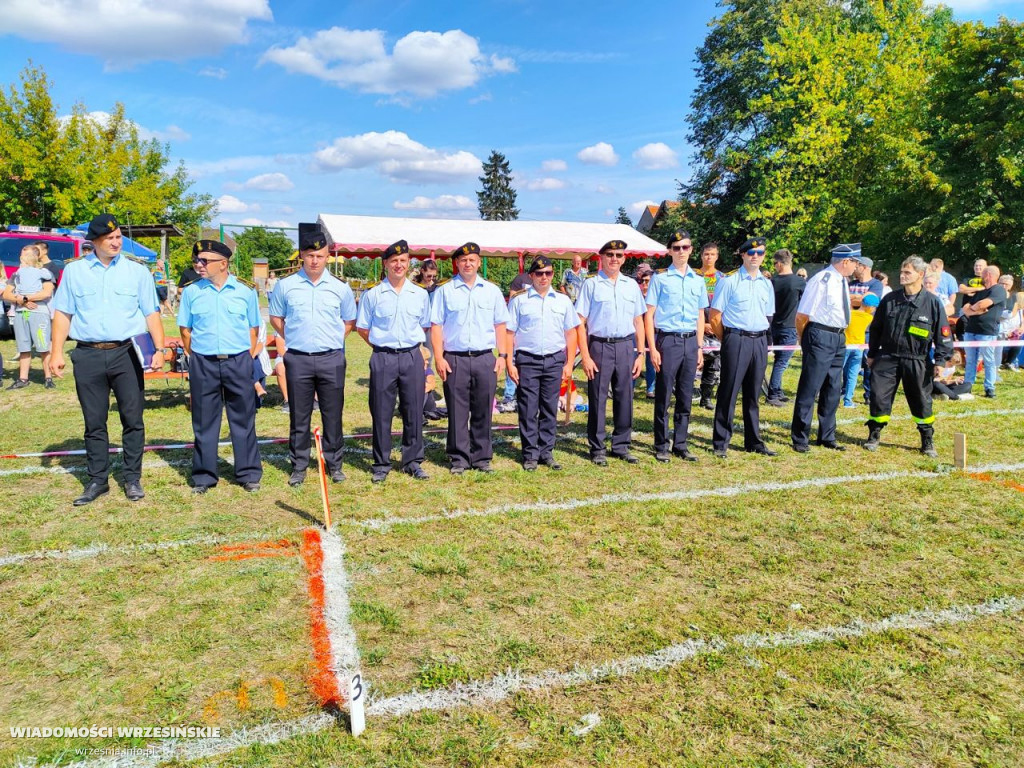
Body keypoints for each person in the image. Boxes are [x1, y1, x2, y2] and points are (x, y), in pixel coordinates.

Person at [50, 213, 165, 506]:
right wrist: (56, 352)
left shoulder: (137, 272)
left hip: (126, 353)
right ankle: (98, 480)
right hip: (87, 353)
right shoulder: (75, 272)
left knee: (132, 418)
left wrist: (160, 350)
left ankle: (132, 478)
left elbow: (151, 312)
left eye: (118, 238)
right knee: (94, 421)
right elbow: (63, 313)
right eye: (109, 239)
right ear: (95, 241)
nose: (116, 243)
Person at [269, 230, 357, 486]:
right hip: (298, 359)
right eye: (310, 256)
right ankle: (299, 466)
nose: (315, 261)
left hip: (331, 358)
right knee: (299, 416)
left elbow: (348, 321)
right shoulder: (286, 286)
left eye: (319, 255)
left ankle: (335, 465)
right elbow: (276, 317)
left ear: (327, 256)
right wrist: (295, 336)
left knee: (332, 415)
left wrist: (330, 339)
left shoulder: (340, 288)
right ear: (302, 257)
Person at [178, 240, 262, 493]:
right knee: (204, 421)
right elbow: (185, 330)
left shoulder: (245, 291)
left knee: (243, 418)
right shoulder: (192, 292)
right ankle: (204, 476)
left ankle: (248, 474)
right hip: (204, 362)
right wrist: (200, 355)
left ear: (223, 264)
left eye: (205, 261)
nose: (199, 265)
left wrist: (244, 357)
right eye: (198, 260)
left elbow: (253, 329)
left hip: (238, 361)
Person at [356, 239, 432, 483]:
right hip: (384, 356)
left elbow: (424, 325)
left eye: (403, 260)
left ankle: (412, 461)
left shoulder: (419, 295)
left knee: (414, 410)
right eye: (394, 261)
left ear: (409, 264)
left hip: (412, 356)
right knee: (381, 411)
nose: (399, 265)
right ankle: (381, 463)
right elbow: (363, 328)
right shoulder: (373, 295)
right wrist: (383, 347)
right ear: (385, 263)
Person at [430, 241, 509, 474]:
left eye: (472, 260)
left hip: (485, 357)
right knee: (457, 410)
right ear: (457, 263)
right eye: (463, 260)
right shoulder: (445, 291)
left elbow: (500, 325)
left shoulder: (492, 291)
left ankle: (481, 457)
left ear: (479, 262)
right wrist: (438, 357)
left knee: (483, 408)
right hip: (454, 358)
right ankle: (459, 458)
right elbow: (436, 326)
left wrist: (502, 355)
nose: (468, 263)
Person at [864, 256, 954, 457]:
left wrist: (940, 360)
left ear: (920, 275)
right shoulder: (890, 300)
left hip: (918, 359)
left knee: (921, 400)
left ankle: (927, 439)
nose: (902, 276)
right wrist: (872, 354)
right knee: (878, 396)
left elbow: (943, 333)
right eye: (902, 272)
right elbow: (876, 328)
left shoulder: (932, 303)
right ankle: (874, 434)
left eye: (907, 273)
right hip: (887, 357)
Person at [575, 239, 646, 466]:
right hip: (599, 346)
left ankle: (621, 445)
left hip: (626, 345)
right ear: (601, 258)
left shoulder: (631, 285)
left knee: (625, 396)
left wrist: (640, 353)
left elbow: (638, 320)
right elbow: (580, 322)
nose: (614, 259)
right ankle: (597, 448)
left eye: (618, 255)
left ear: (624, 258)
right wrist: (585, 356)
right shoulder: (591, 285)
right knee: (597, 397)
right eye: (610, 255)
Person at [506, 255, 579, 471]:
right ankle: (530, 454)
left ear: (553, 275)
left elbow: (571, 333)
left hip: (555, 359)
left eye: (547, 273)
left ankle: (546, 451)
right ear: (531, 276)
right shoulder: (519, 300)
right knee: (528, 408)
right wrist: (509, 361)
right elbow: (509, 333)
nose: (543, 277)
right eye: (539, 273)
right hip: (527, 360)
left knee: (549, 407)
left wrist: (568, 364)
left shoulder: (563, 301)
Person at [708, 237, 776, 457]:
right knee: (729, 391)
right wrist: (727, 339)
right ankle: (721, 442)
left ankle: (753, 441)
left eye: (760, 253)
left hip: (759, 340)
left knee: (753, 393)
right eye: (751, 253)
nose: (755, 257)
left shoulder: (767, 283)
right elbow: (715, 316)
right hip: (736, 339)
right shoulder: (729, 281)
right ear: (743, 255)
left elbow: (769, 315)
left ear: (764, 256)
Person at [644, 230, 707, 462]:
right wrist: (653, 348)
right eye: (677, 247)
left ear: (691, 250)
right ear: (669, 250)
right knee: (663, 396)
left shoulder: (698, 280)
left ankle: (680, 444)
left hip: (690, 341)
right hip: (667, 341)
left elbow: (701, 315)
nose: (681, 252)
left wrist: (699, 347)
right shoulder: (659, 278)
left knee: (686, 395)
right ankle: (661, 444)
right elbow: (648, 315)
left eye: (686, 247)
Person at [790, 244, 859, 452]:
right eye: (855, 262)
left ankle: (827, 435)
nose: (856, 267)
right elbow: (802, 315)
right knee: (810, 387)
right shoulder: (822, 280)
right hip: (820, 334)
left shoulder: (842, 281)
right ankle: (800, 437)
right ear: (845, 261)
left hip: (838, 336)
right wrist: (805, 340)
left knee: (833, 388)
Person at [2, 244, 55, 389]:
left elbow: (46, 293)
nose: (21, 257)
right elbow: (7, 294)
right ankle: (23, 379)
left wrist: (24, 298)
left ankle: (48, 378)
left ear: (35, 256)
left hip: (39, 313)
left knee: (43, 346)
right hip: (21, 313)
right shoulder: (17, 274)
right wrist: (22, 300)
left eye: (25, 254)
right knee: (23, 346)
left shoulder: (43, 272)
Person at [959, 265, 1006, 398]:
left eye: (983, 274)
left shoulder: (999, 290)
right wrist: (976, 310)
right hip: (970, 330)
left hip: (987, 332)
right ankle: (967, 386)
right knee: (970, 360)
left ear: (988, 275)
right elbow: (965, 309)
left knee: (988, 360)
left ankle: (989, 388)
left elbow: (983, 304)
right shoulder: (980, 291)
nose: (981, 277)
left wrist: (975, 308)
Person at [765, 249, 804, 406]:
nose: (774, 267)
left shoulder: (771, 282)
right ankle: (773, 394)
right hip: (789, 327)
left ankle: (778, 390)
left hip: (773, 326)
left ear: (779, 264)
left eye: (774, 264)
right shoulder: (799, 282)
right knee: (781, 362)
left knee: (779, 361)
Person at [695, 242, 727, 409]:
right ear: (701, 256)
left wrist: (713, 325)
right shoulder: (693, 275)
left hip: (715, 327)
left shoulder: (723, 278)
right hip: (696, 325)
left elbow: (725, 304)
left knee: (713, 365)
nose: (709, 257)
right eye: (706, 254)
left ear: (717, 256)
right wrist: (702, 324)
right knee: (692, 361)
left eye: (712, 254)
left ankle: (705, 398)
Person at [841, 292, 880, 407]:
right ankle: (848, 401)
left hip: (845, 346)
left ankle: (830, 396)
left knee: (837, 373)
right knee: (852, 375)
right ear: (870, 307)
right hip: (858, 349)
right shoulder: (869, 317)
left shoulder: (849, 314)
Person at [634, 262, 656, 398]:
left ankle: (651, 389)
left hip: (652, 334)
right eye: (642, 281)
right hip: (636, 335)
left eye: (648, 281)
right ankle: (629, 387)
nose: (645, 284)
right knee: (634, 360)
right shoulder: (635, 294)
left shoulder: (656, 297)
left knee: (651, 362)